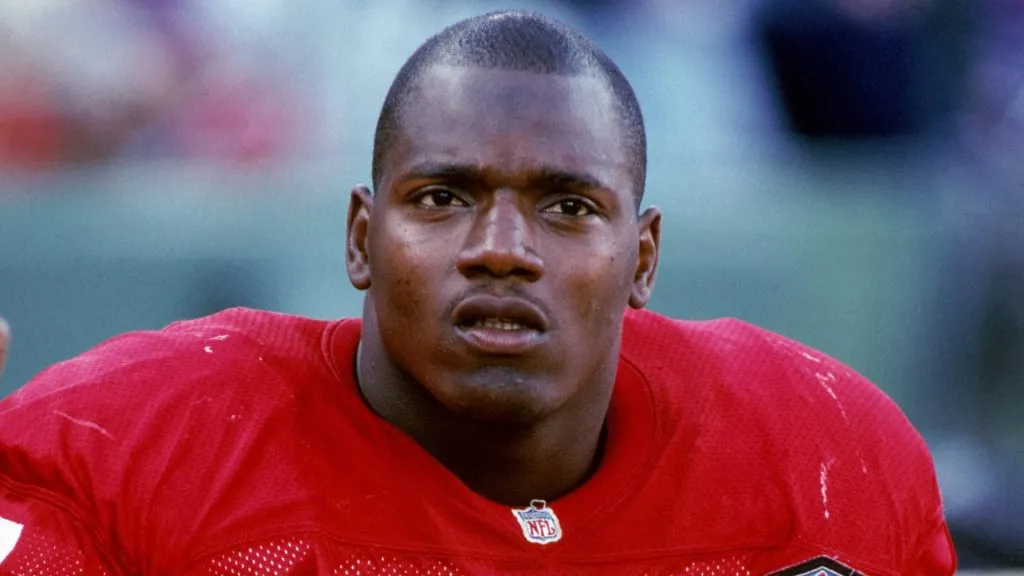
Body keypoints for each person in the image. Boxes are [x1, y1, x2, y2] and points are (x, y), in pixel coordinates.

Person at [0, 10, 956, 575]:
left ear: (645, 257)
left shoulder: (828, 459)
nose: (502, 250)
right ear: (362, 239)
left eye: (569, 206)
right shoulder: (126, 446)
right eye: (443, 197)